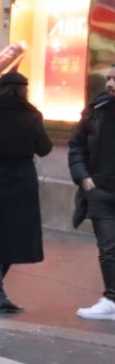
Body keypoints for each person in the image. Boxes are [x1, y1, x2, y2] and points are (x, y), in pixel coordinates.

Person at [0, 71, 52, 313]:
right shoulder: (31, 115)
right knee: (14, 235)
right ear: (24, 90)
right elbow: (44, 148)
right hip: (20, 181)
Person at [69, 62, 115, 320]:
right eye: (108, 78)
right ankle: (111, 300)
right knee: (108, 249)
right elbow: (77, 145)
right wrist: (83, 176)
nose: (109, 84)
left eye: (114, 79)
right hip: (101, 191)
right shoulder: (96, 110)